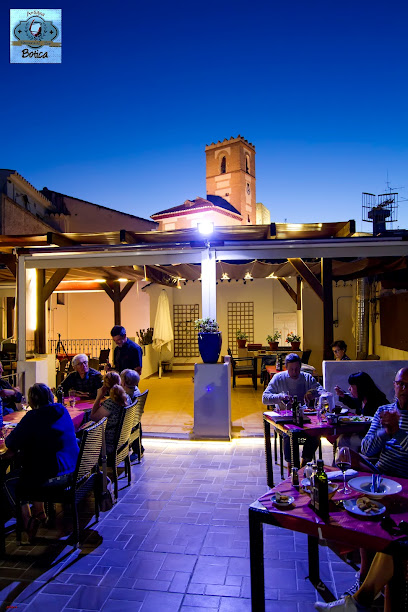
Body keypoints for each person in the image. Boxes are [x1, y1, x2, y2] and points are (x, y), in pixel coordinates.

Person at [315, 367, 408, 611]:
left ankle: (364, 589)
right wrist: (384, 432)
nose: (404, 389)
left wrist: (398, 434)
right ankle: (358, 572)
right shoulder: (383, 411)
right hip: (378, 474)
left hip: (403, 479)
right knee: (345, 460)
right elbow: (368, 448)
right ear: (394, 385)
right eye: (401, 384)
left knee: (375, 517)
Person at [3, 383, 79, 541]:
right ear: (51, 397)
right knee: (29, 469)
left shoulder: (33, 416)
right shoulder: (62, 410)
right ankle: (39, 513)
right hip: (73, 470)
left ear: (31, 402)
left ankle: (27, 522)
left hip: (53, 477)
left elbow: (10, 442)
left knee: (8, 482)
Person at [262, 353, 324, 471]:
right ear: (286, 367)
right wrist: (280, 397)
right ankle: (292, 468)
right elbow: (265, 398)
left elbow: (322, 391)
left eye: (297, 369)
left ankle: (304, 463)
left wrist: (312, 393)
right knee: (290, 435)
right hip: (284, 420)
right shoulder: (278, 378)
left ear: (300, 367)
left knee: (315, 433)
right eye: (291, 369)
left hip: (305, 419)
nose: (294, 372)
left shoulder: (307, 378)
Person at [90, 383, 129, 454]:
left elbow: (93, 417)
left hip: (108, 443)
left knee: (78, 439)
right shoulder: (126, 398)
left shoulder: (111, 403)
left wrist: (98, 397)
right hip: (121, 441)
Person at [121, 369, 143, 460]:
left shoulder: (127, 396)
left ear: (124, 383)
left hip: (127, 425)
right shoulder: (136, 390)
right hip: (135, 421)